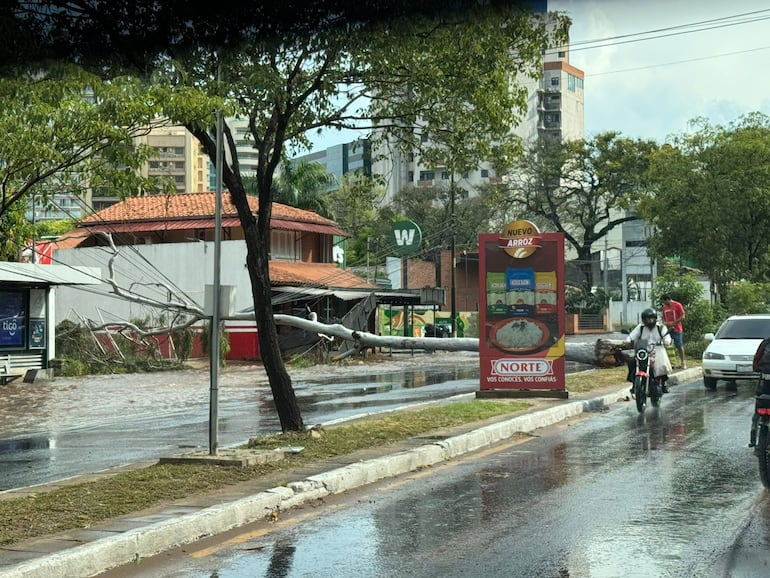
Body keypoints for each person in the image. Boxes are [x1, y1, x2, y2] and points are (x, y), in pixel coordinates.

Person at [623, 307, 673, 394]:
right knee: (632, 361)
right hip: (643, 350)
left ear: (655, 318)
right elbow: (632, 336)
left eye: (650, 318)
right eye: (646, 319)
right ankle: (635, 383)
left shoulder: (661, 327)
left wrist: (666, 341)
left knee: (661, 364)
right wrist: (627, 341)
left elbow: (667, 337)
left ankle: (664, 382)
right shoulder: (641, 327)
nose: (648, 321)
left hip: (657, 349)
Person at [661, 293, 686, 369]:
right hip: (668, 330)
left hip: (677, 329)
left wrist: (674, 322)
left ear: (668, 300)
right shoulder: (664, 308)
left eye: (664, 301)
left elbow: (683, 316)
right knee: (668, 346)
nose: (663, 303)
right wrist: (665, 323)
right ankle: (671, 363)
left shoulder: (677, 305)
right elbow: (663, 318)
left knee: (679, 345)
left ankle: (682, 362)